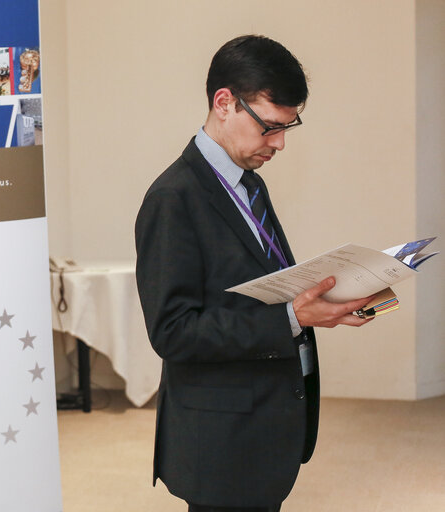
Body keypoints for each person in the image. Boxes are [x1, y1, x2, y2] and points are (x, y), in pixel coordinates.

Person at [134, 35, 373, 512]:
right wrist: (291, 318)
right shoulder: (173, 199)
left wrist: (333, 292)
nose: (280, 143)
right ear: (224, 103)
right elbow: (173, 333)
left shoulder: (250, 184)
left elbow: (261, 282)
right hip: (221, 441)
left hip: (262, 428)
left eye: (288, 127)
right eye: (270, 127)